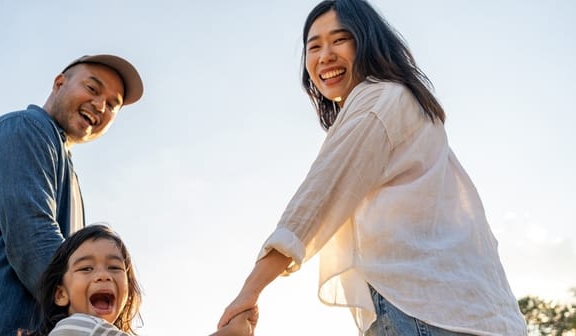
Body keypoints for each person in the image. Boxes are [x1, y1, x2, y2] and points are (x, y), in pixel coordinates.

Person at [218, 1, 527, 335]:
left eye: (339, 40)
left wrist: (249, 292)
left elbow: (319, 197)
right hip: (479, 313)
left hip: (422, 313)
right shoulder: (404, 102)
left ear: (367, 41)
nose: (324, 56)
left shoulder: (379, 100)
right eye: (314, 46)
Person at [0, 54, 144, 336]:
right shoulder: (25, 128)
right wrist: (103, 322)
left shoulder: (68, 173)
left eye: (112, 104)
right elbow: (33, 235)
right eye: (93, 89)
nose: (100, 105)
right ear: (59, 83)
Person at [27, 224, 258, 336]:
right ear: (60, 294)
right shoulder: (75, 327)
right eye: (86, 268)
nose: (103, 275)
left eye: (115, 267)